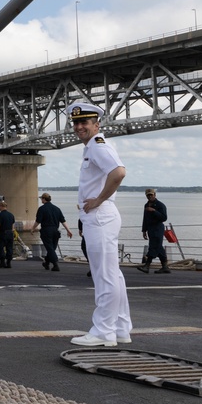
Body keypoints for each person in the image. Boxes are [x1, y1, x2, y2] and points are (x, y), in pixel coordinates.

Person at [69, 102, 132, 348]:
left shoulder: (97, 145)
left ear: (97, 124)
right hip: (102, 215)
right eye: (76, 123)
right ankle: (120, 328)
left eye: (84, 122)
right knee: (113, 275)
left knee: (105, 276)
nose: (79, 127)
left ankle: (103, 332)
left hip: (100, 215)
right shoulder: (94, 146)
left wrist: (99, 199)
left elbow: (118, 173)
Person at [30, 192, 73, 271]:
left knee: (50, 248)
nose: (41, 200)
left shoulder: (41, 209)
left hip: (46, 230)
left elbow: (38, 221)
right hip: (56, 231)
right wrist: (68, 230)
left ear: (43, 199)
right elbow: (63, 221)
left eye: (41, 199)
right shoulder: (57, 209)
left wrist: (33, 228)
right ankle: (46, 262)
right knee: (52, 248)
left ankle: (55, 264)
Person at [138, 188, 170, 273]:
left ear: (154, 195)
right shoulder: (146, 205)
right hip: (150, 229)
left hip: (158, 228)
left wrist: (154, 211)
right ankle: (165, 267)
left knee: (153, 246)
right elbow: (145, 218)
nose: (149, 197)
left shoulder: (160, 205)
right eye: (148, 195)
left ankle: (147, 266)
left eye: (151, 195)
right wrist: (144, 230)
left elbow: (164, 218)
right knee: (158, 247)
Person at [0, 201, 16, 268]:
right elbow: (12, 226)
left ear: (1, 206)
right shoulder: (11, 215)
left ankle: (2, 262)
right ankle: (8, 262)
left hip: (2, 233)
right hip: (10, 233)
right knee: (9, 248)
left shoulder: (0, 215)